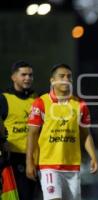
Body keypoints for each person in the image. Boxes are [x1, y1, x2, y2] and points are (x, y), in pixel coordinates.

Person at [26, 64, 98, 200]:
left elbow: (85, 134)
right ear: (52, 80)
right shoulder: (40, 103)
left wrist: (93, 156)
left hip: (72, 166)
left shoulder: (80, 104)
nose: (66, 79)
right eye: (62, 76)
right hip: (48, 164)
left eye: (69, 76)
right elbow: (32, 134)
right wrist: (29, 162)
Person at [0, 61, 38, 199]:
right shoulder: (4, 99)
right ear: (14, 77)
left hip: (33, 158)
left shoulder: (37, 99)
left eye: (30, 75)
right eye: (23, 75)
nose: (28, 78)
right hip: (10, 159)